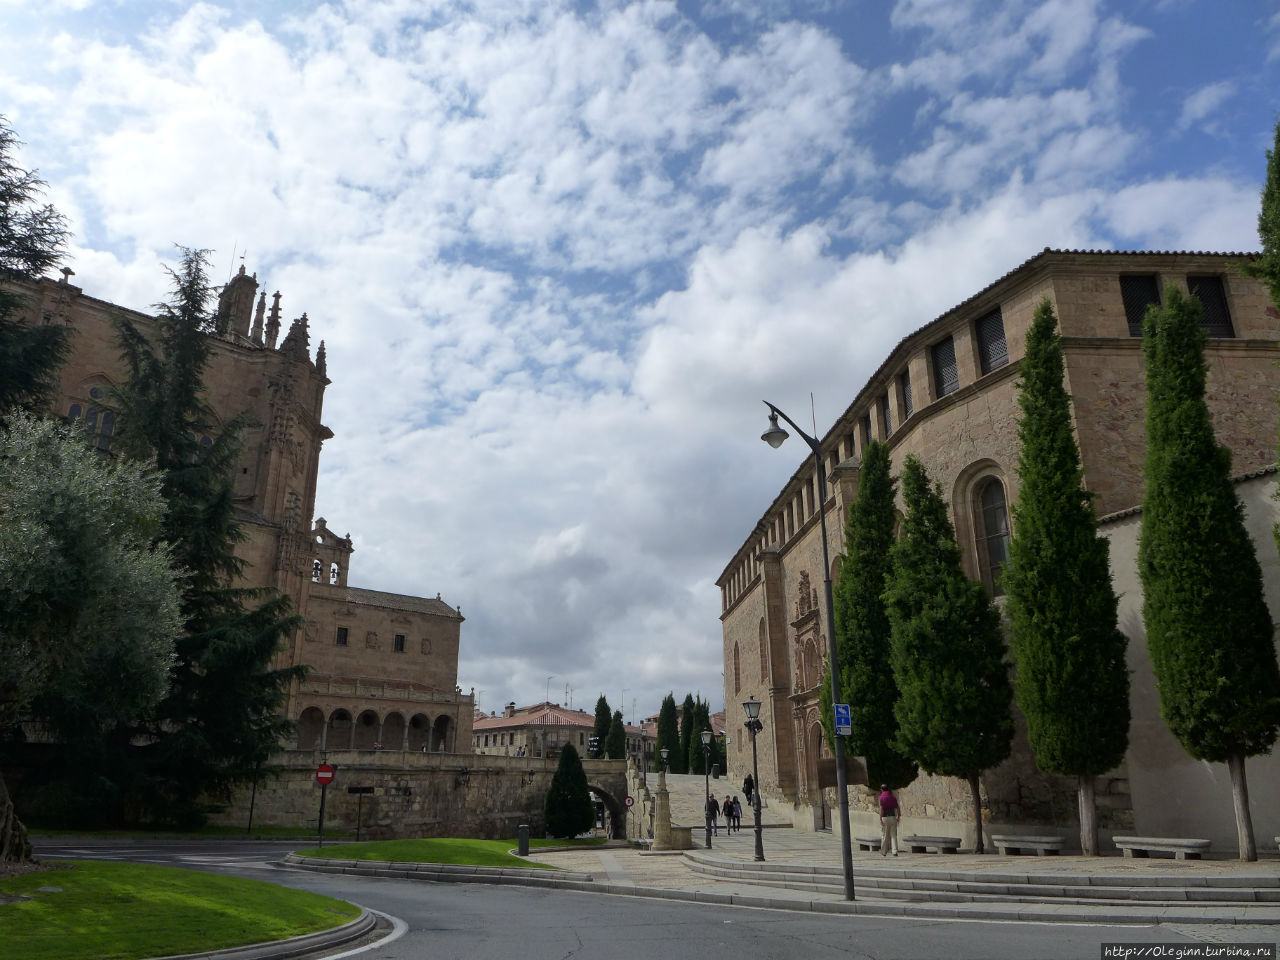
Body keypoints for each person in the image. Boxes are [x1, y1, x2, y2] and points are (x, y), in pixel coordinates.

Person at [878, 783, 900, 857]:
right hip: (893, 817)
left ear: (881, 789)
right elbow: (897, 807)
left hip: (885, 817)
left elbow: (881, 809)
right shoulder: (893, 797)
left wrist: (880, 818)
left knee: (885, 835)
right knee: (894, 835)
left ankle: (883, 852)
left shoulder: (881, 797)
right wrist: (898, 816)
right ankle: (895, 851)